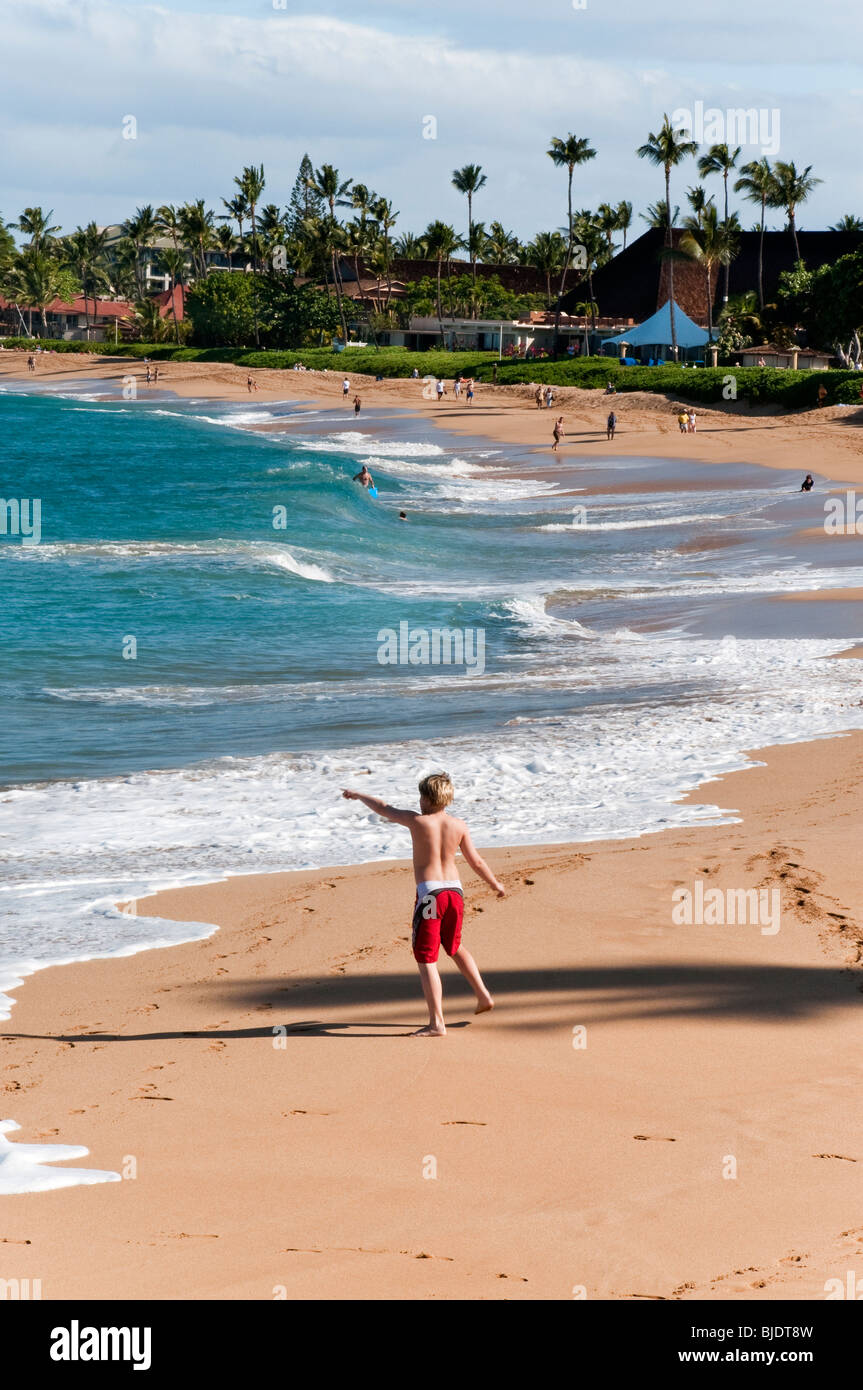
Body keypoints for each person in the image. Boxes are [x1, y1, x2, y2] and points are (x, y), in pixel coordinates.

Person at [341, 772, 502, 1036]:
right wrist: (495, 884)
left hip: (431, 895)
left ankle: (437, 1023)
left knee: (426, 958)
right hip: (455, 893)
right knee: (454, 945)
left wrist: (358, 795)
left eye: (420, 796)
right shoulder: (459, 825)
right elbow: (476, 862)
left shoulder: (417, 821)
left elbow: (384, 808)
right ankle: (483, 995)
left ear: (426, 798)